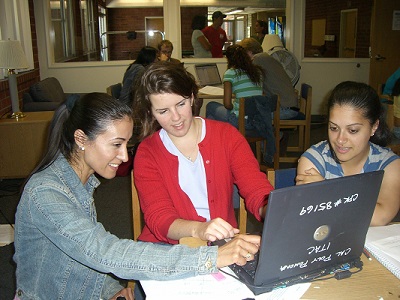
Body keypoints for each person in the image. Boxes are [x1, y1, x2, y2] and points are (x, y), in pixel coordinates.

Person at [13, 92, 261, 300]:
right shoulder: (46, 193)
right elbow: (104, 252)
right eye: (116, 144)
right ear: (81, 139)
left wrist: (111, 289)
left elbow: (79, 254)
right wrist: (213, 257)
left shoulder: (81, 182)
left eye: (126, 145)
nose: (124, 157)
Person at [132, 61, 273, 246]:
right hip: (168, 247)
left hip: (220, 244)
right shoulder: (148, 152)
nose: (176, 118)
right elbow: (160, 218)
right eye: (163, 111)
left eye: (181, 104)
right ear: (151, 113)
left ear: (191, 98)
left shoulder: (227, 136)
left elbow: (255, 187)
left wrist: (271, 210)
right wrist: (199, 229)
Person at [296, 81, 400, 226]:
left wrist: (326, 190)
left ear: (374, 127)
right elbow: (313, 219)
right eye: (333, 128)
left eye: (352, 131)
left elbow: (380, 218)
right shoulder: (314, 159)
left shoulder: (389, 164)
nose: (340, 139)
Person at [205, 44, 276, 165]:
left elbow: (227, 104)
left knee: (210, 106)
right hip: (259, 120)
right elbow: (258, 95)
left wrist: (234, 107)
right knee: (220, 117)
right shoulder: (257, 72)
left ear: (229, 59)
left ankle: (212, 149)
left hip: (241, 121)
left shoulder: (231, 73)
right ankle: (222, 146)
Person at [240, 38, 302, 120]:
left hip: (285, 109)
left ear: (248, 52)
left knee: (248, 117)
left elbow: (249, 82)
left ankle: (271, 133)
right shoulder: (266, 57)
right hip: (289, 107)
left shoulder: (258, 59)